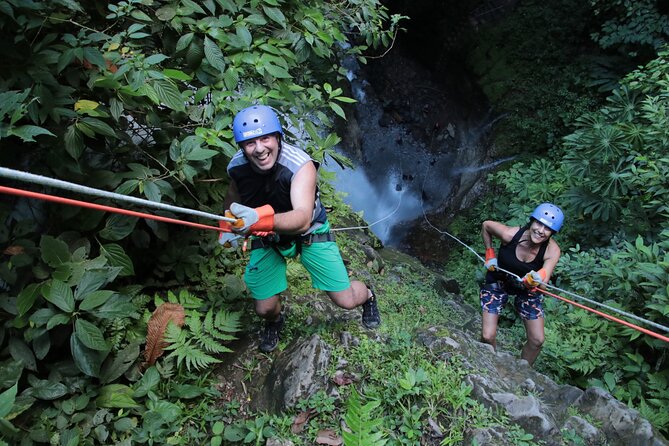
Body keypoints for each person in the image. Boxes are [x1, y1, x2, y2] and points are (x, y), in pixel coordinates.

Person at [219, 104, 381, 352]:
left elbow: (302, 218)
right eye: (251, 143)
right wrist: (228, 224)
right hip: (267, 234)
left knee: (345, 300)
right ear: (242, 147)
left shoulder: (299, 165)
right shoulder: (237, 167)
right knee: (264, 309)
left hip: (308, 231)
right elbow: (232, 198)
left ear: (277, 137)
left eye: (265, 138)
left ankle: (368, 294)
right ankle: (276, 320)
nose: (260, 148)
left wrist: (258, 220)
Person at [479, 203, 563, 366]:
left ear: (552, 233)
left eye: (547, 228)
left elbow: (544, 284)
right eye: (538, 223)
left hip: (527, 289)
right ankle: (492, 367)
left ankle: (521, 371)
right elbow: (486, 226)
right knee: (487, 335)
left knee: (537, 340)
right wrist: (490, 253)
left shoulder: (551, 251)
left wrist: (536, 281)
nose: (540, 230)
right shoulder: (510, 235)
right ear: (531, 221)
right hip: (499, 280)